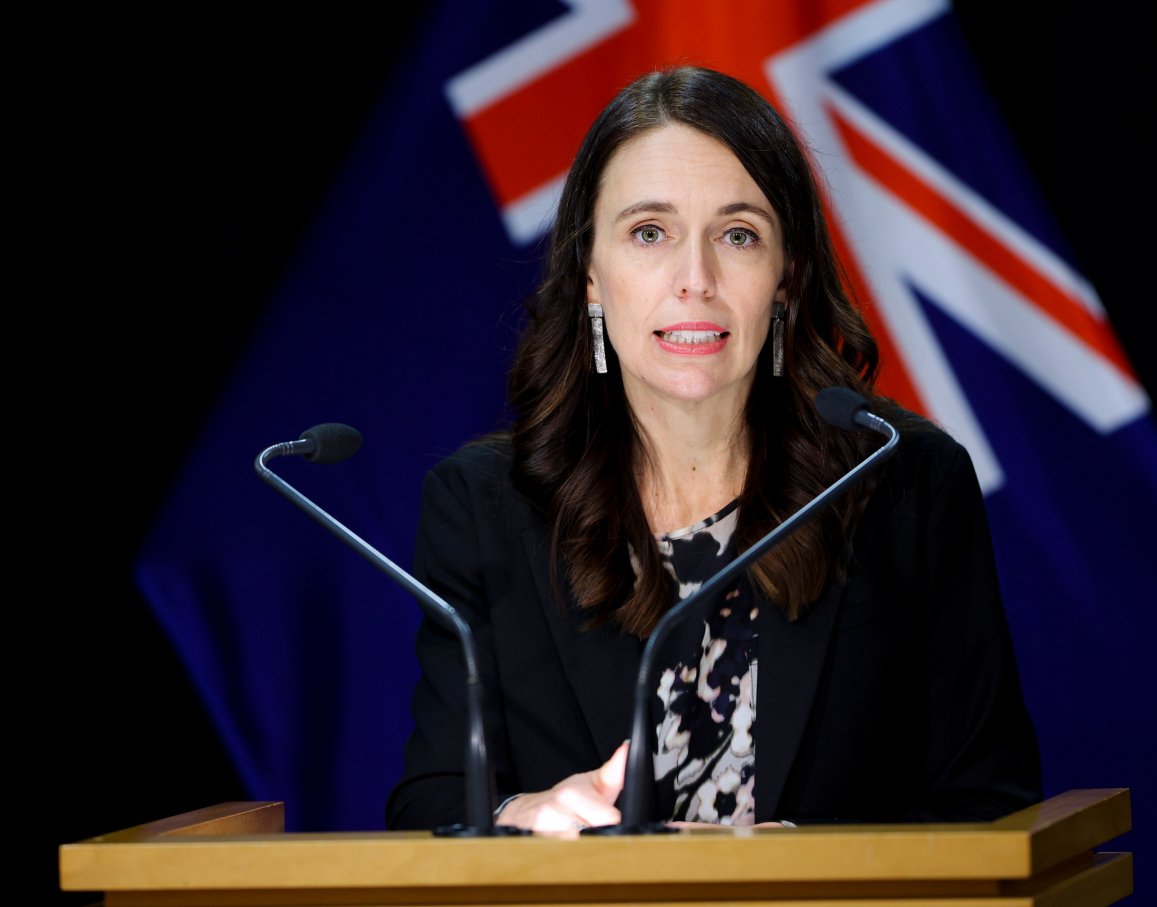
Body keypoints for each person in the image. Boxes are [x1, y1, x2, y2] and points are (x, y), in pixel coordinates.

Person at [385, 66, 1041, 833]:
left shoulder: (902, 482)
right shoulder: (487, 507)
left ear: (787, 276)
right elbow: (432, 803)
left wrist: (821, 873)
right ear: (591, 276)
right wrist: (517, 814)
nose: (694, 280)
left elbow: (993, 802)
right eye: (649, 232)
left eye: (738, 234)